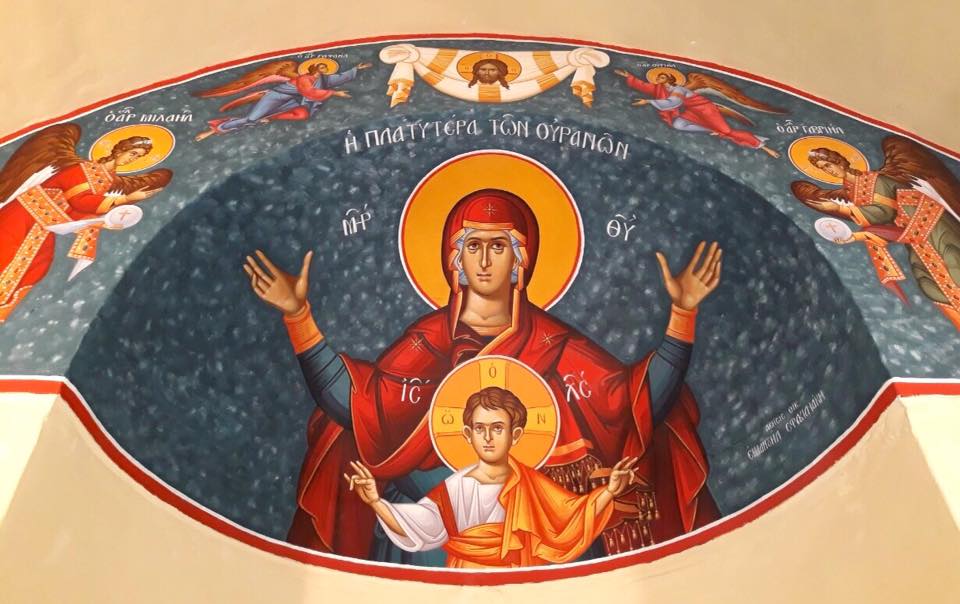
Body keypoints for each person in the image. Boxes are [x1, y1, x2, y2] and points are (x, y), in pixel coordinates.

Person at [243, 188, 722, 565]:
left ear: (521, 259)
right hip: (433, 537)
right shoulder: (427, 341)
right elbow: (358, 407)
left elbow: (634, 403)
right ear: (456, 258)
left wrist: (682, 315)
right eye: (473, 245)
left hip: (544, 534)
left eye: (499, 246)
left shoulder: (556, 343)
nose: (486, 260)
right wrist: (299, 316)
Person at [344, 386, 638, 568]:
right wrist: (375, 502)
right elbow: (420, 526)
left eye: (497, 428)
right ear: (468, 434)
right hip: (466, 588)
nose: (488, 437)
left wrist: (609, 492)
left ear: (515, 434)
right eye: (480, 428)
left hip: (517, 587)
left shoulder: (532, 485)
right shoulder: (457, 487)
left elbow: (572, 517)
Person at [0, 124, 171, 322]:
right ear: (120, 150)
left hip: (43, 224)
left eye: (138, 157)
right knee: (8, 254)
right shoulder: (84, 168)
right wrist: (125, 199)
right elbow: (80, 201)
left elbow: (74, 212)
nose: (132, 159)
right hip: (23, 214)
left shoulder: (108, 180)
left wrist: (103, 223)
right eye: (132, 153)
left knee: (37, 267)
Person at [791, 139, 960, 331]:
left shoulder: (874, 180)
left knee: (953, 264)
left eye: (828, 165)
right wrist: (853, 237)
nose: (828, 170)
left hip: (932, 223)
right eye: (823, 169)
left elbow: (884, 212)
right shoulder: (852, 192)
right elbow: (882, 228)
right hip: (913, 236)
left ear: (840, 161)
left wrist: (841, 209)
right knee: (929, 284)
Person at [614, 68, 781, 158]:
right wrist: (629, 76)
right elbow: (644, 86)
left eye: (662, 77)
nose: (658, 79)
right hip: (693, 111)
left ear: (670, 79)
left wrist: (648, 102)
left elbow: (674, 103)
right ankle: (710, 130)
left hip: (706, 110)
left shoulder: (679, 89)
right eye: (657, 78)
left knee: (727, 131)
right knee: (678, 124)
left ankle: (763, 146)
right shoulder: (660, 89)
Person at [195, 61, 372, 141]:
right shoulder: (303, 78)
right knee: (251, 119)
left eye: (325, 67)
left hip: (291, 102)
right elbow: (309, 91)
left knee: (302, 114)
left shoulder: (324, 80)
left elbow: (340, 78)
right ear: (313, 68)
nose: (324, 69)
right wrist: (334, 93)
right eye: (321, 67)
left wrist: (356, 69)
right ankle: (215, 129)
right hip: (275, 97)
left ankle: (270, 118)